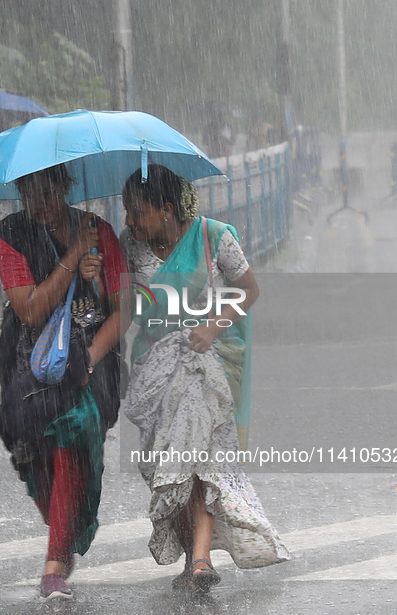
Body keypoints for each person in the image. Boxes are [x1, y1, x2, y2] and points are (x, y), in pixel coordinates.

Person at [121, 164, 289, 593]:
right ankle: (192, 557)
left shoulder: (214, 236)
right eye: (126, 212)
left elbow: (249, 289)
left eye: (137, 212)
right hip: (156, 366)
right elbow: (124, 306)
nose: (130, 221)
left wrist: (214, 325)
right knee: (171, 466)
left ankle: (200, 559)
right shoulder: (129, 248)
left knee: (201, 460)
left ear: (167, 209)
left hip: (208, 363)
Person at [0, 163, 130, 600]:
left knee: (74, 434)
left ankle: (53, 566)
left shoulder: (98, 231)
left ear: (65, 189)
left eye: (47, 194)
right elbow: (31, 310)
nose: (38, 205)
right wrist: (72, 258)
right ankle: (63, 534)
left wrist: (89, 358)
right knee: (37, 462)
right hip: (27, 362)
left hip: (91, 358)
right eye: (28, 195)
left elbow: (124, 308)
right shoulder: (11, 234)